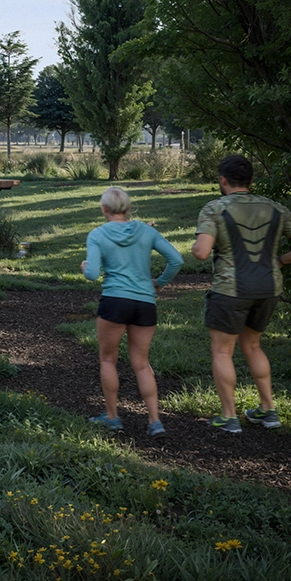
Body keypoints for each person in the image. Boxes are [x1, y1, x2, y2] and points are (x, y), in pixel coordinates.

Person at [193, 154, 291, 433]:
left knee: (222, 352)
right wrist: (281, 260)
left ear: (222, 180)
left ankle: (229, 417)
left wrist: (197, 246)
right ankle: (268, 410)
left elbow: (201, 252)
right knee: (253, 346)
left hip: (230, 291)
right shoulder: (275, 208)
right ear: (250, 181)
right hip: (267, 289)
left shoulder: (215, 209)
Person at [82, 186, 183, 437]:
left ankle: (112, 417)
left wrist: (84, 265)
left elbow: (93, 274)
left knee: (108, 359)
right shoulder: (147, 231)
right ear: (127, 209)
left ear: (104, 209)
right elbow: (177, 260)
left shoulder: (97, 234)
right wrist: (159, 282)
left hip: (114, 301)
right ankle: (155, 421)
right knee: (141, 364)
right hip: (145, 303)